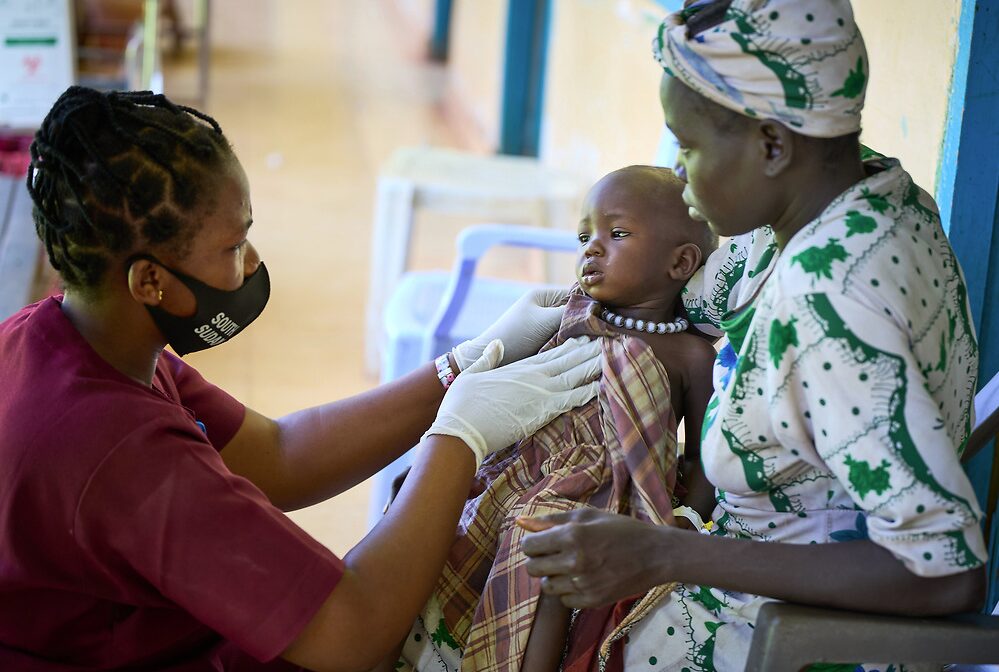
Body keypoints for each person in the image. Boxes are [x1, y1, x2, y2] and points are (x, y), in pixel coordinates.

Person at [0, 86, 605, 671]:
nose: (253, 263)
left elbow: (279, 455)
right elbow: (352, 631)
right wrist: (457, 440)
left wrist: (464, 364)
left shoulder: (66, 341)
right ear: (149, 283)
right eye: (233, 247)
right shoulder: (122, 454)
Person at [520, 2, 987, 671]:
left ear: (771, 145)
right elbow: (696, 298)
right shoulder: (852, 193)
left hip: (801, 630)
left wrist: (661, 552)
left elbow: (945, 571)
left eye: (686, 149)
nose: (676, 177)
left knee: (493, 596)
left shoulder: (830, 303)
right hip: (750, 565)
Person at [387, 166, 718, 672]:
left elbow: (702, 458)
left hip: (611, 496)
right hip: (524, 472)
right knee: (432, 515)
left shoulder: (692, 356)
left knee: (544, 554)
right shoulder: (567, 316)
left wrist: (685, 523)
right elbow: (503, 397)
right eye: (585, 236)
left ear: (681, 262)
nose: (591, 248)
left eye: (618, 233)